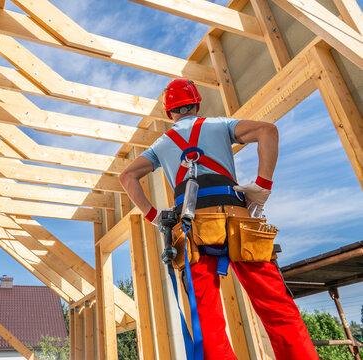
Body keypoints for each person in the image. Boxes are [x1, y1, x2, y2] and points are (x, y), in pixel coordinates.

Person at [119, 78, 319, 360]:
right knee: (277, 308)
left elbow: (126, 176)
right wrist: (261, 186)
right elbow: (268, 131)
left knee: (207, 320)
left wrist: (154, 216)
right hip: (238, 222)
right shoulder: (218, 125)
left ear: (169, 113)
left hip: (192, 232)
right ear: (197, 104)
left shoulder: (161, 144)